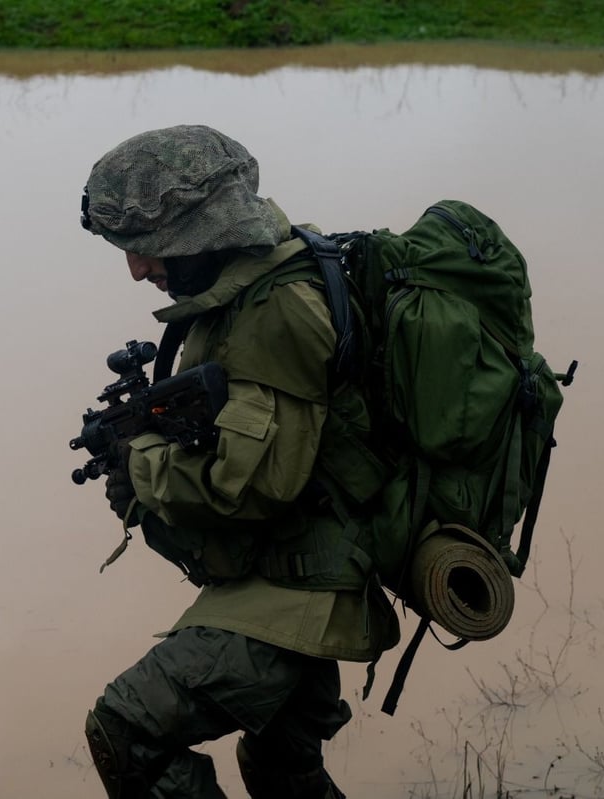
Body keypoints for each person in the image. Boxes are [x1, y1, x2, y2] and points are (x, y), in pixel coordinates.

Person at [78, 124, 399, 799]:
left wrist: (142, 467)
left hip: (301, 591)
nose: (137, 268)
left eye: (145, 247)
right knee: (280, 766)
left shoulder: (276, 306)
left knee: (125, 727)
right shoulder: (242, 290)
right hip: (285, 569)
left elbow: (251, 484)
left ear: (201, 228)